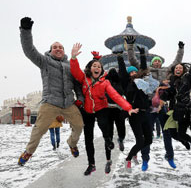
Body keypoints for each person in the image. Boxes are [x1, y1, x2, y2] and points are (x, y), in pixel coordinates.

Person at [18, 17, 84, 166]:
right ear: (50, 51)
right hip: (50, 102)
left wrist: (80, 98)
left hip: (68, 102)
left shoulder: (69, 65)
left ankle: (72, 144)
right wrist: (26, 31)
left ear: (64, 51)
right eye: (55, 47)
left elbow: (77, 85)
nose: (58, 49)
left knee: (79, 126)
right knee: (39, 129)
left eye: (60, 47)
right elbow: (29, 51)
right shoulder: (45, 62)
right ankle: (29, 151)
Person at [70, 44, 138, 175]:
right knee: (88, 138)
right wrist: (73, 57)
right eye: (94, 66)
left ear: (101, 70)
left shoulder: (105, 82)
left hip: (101, 108)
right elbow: (75, 70)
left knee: (103, 124)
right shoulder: (84, 79)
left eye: (99, 67)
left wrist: (128, 107)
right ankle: (91, 164)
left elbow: (115, 96)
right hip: (87, 111)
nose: (96, 68)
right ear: (90, 68)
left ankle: (108, 139)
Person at [126, 36, 184, 170]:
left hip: (161, 105)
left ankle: (170, 156)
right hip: (148, 106)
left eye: (159, 61)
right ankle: (145, 159)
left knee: (167, 132)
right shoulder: (147, 71)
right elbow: (133, 60)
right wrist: (130, 47)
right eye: (155, 61)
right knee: (147, 134)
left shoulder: (166, 72)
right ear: (152, 63)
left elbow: (177, 63)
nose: (157, 63)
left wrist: (181, 49)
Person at [116, 46, 154, 173]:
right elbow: (122, 72)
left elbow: (143, 69)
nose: (133, 74)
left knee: (149, 139)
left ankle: (134, 153)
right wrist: (120, 57)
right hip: (134, 114)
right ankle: (128, 159)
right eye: (131, 72)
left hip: (145, 113)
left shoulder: (142, 81)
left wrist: (143, 54)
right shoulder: (127, 84)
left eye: (134, 72)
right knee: (140, 140)